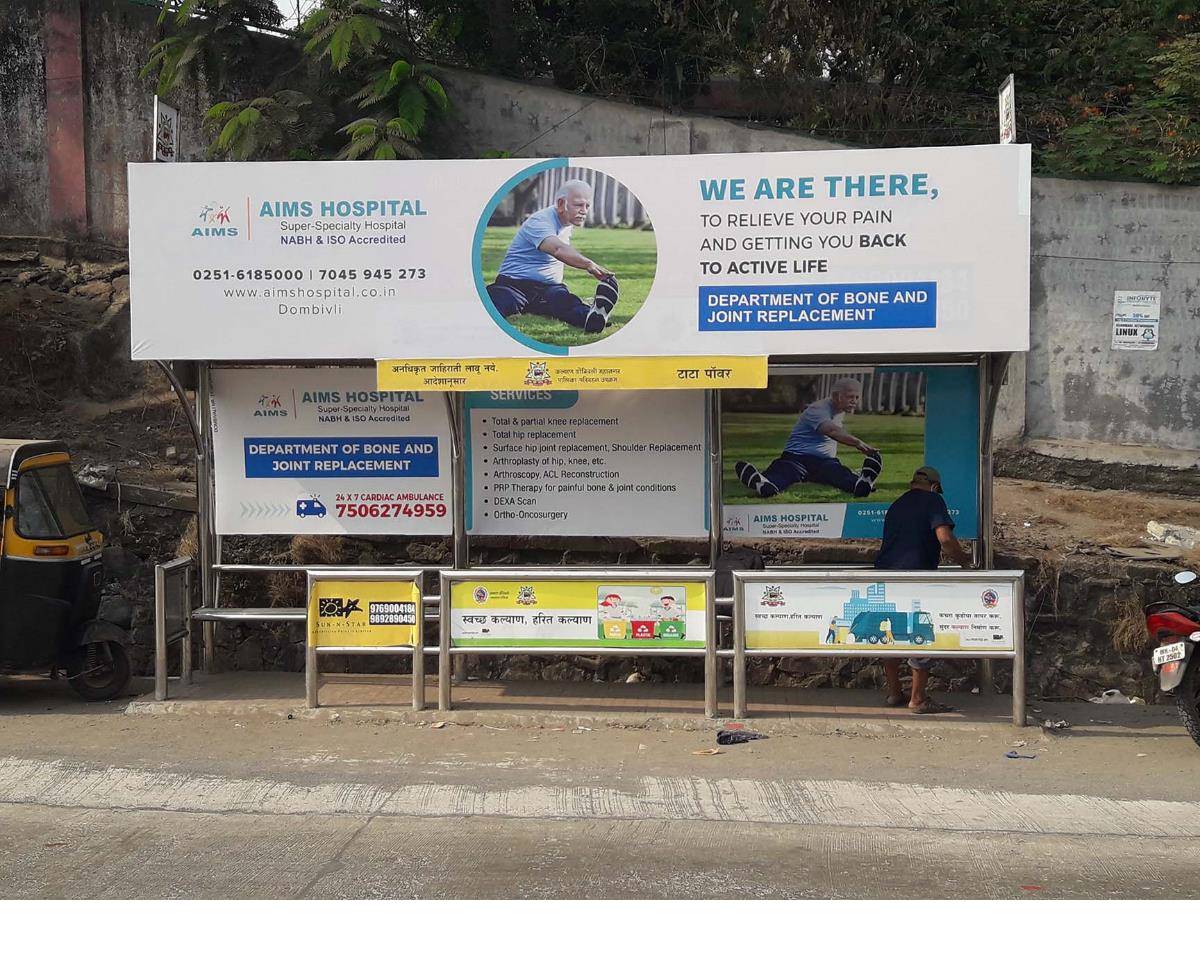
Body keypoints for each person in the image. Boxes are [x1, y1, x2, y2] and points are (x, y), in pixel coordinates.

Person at [874, 465, 972, 714]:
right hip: (915, 578)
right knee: (920, 632)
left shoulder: (896, 505)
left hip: (886, 577)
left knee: (890, 633)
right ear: (935, 486)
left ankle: (895, 692)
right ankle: (917, 699)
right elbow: (945, 539)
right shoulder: (933, 501)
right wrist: (965, 563)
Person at [486, 179, 619, 334]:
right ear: (561, 204)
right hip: (514, 286)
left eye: (587, 206)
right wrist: (588, 264)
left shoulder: (566, 222)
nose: (584, 210)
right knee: (498, 301)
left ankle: (594, 315)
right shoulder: (540, 221)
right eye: (578, 205)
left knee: (567, 303)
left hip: (548, 289)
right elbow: (557, 249)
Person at [734, 377, 883, 499]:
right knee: (785, 471)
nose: (855, 401)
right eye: (851, 397)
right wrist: (858, 443)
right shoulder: (818, 409)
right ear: (837, 396)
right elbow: (831, 431)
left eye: (857, 397)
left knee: (837, 473)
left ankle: (861, 483)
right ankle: (764, 483)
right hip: (797, 458)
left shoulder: (840, 409)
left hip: (824, 462)